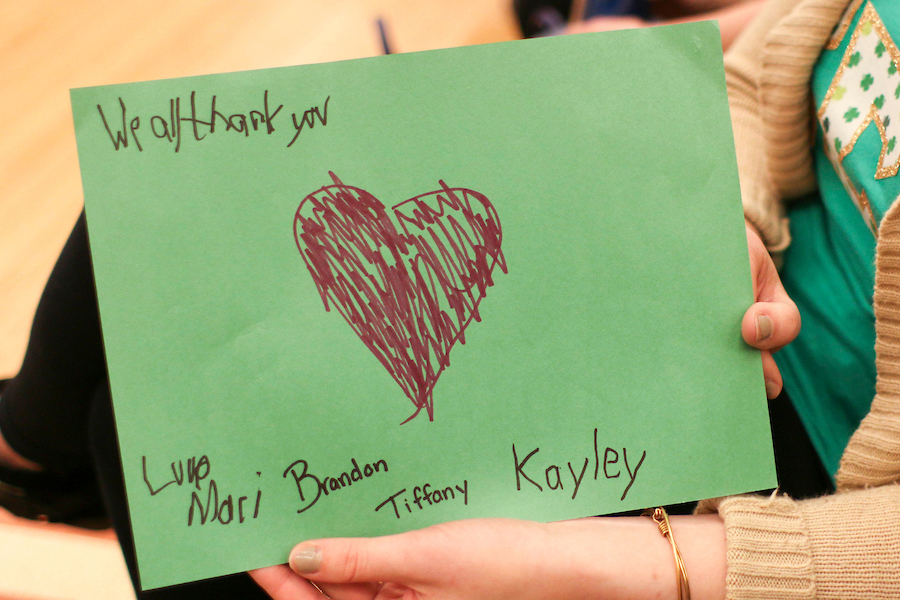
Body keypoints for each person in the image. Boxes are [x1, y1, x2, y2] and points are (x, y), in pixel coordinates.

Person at [250, 0, 900, 598]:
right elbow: (757, 73)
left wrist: (584, 563)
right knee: (269, 460)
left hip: (812, 495)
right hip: (689, 317)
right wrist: (729, 220)